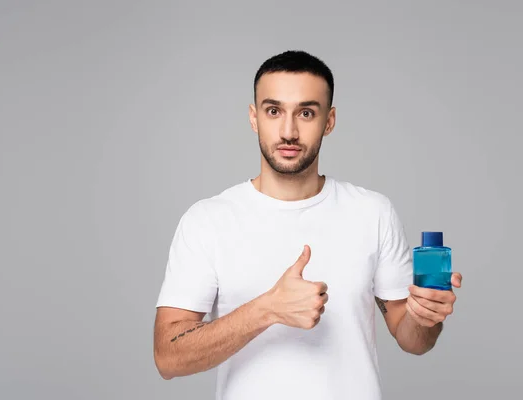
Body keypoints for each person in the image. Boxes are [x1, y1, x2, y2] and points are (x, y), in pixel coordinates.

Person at [152, 50, 462, 400]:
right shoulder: (207, 220)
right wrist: (267, 309)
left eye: (306, 113)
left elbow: (413, 341)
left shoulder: (372, 212)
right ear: (254, 118)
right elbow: (167, 357)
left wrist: (425, 316)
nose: (289, 131)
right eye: (273, 111)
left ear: (329, 121)